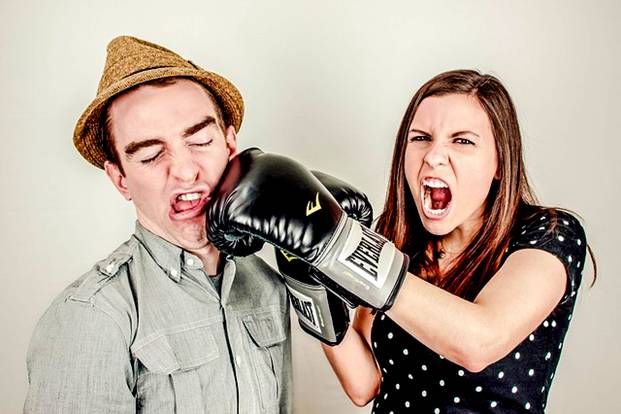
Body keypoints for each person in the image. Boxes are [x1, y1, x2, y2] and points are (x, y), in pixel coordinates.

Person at [205, 70, 594, 413]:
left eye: (462, 141)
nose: (433, 156)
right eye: (421, 138)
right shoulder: (395, 241)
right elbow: (364, 385)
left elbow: (480, 341)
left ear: (499, 163)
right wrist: (305, 274)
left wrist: (340, 247)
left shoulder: (549, 235)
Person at [24, 36, 292, 414]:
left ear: (230, 146)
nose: (184, 170)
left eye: (200, 140)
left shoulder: (268, 285)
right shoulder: (91, 317)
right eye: (150, 155)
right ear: (120, 180)